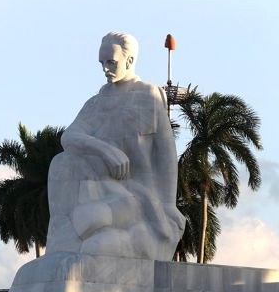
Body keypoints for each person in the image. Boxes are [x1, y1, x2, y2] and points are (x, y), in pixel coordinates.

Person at [45, 31, 185, 261]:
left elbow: (166, 153)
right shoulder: (97, 102)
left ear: (130, 61)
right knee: (62, 162)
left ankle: (93, 232)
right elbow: (69, 136)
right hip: (100, 184)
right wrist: (105, 150)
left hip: (137, 193)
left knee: (93, 226)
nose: (105, 68)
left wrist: (168, 205)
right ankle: (65, 239)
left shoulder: (148, 95)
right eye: (102, 63)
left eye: (112, 62)